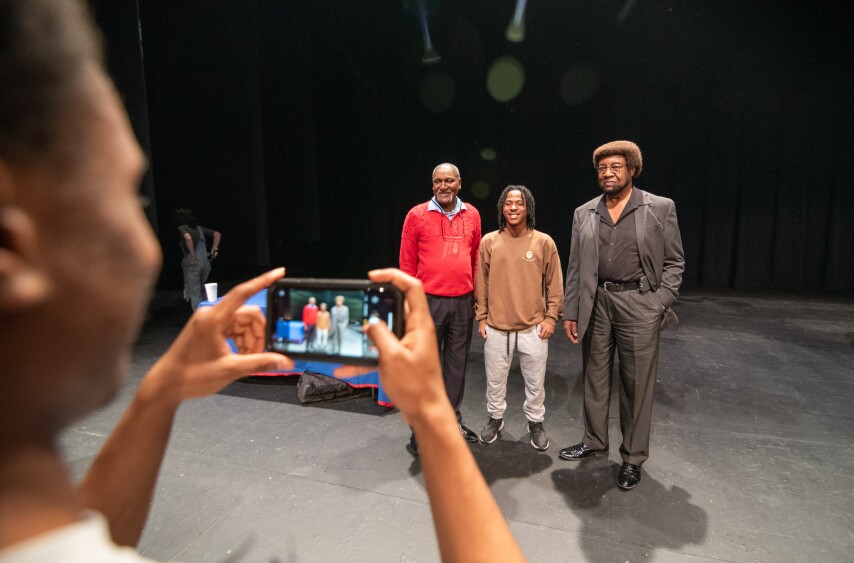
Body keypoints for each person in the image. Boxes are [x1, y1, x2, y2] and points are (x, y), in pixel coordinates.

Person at [0, 2, 526, 561]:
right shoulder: (416, 217)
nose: (145, 239)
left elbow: (88, 538)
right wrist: (435, 430)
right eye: (127, 195)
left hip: (462, 300)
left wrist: (155, 399)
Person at [558, 140, 685, 490]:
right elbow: (575, 267)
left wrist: (660, 301)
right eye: (602, 168)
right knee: (594, 377)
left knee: (637, 384)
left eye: (615, 167)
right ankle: (595, 441)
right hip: (596, 302)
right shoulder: (585, 212)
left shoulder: (658, 207)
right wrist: (572, 310)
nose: (607, 173)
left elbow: (675, 261)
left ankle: (632, 458)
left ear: (631, 170)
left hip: (639, 302)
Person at [400, 163, 482, 454]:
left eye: (449, 181)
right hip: (427, 302)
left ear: (459, 183)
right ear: (432, 185)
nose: (443, 186)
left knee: (456, 367)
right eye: (437, 181)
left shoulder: (472, 214)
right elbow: (407, 264)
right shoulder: (417, 215)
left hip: (462, 301)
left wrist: (477, 296)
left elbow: (475, 259)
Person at [474, 186, 563, 451]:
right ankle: (495, 419)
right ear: (502, 208)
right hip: (496, 328)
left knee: (536, 384)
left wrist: (551, 318)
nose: (513, 208)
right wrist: (481, 318)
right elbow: (482, 283)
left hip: (533, 328)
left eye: (519, 203)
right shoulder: (489, 241)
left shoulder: (543, 242)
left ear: (528, 208)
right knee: (494, 381)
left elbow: (555, 283)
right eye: (508, 203)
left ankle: (535, 422)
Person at [176, 208, 221, 311]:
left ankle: (199, 318)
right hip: (205, 263)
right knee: (203, 290)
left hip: (193, 264)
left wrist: (192, 255)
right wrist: (215, 249)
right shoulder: (199, 228)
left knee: (195, 293)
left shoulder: (182, 228)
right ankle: (208, 314)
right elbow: (217, 234)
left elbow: (188, 238)